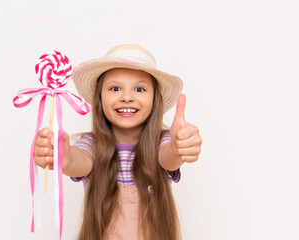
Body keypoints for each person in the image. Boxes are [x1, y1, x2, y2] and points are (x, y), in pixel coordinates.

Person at [34, 44, 202, 240]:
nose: (127, 97)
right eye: (115, 88)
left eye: (140, 89)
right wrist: (64, 157)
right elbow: (78, 162)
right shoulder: (92, 146)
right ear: (100, 97)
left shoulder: (160, 144)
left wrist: (178, 148)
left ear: (155, 99)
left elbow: (169, 157)